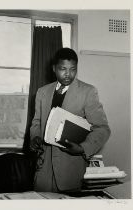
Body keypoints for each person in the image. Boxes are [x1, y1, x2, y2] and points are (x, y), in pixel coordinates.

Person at [29, 48, 111, 193]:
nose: (68, 74)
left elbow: (102, 129)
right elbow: (36, 122)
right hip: (43, 170)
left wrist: (83, 148)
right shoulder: (42, 92)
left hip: (70, 171)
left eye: (73, 69)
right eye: (63, 69)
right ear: (54, 68)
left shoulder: (88, 92)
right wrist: (34, 137)